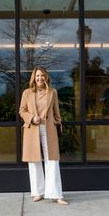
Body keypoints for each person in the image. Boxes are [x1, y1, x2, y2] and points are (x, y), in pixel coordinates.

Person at [19, 66, 68, 205]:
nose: (40, 78)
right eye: (37, 76)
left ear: (46, 77)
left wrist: (58, 125)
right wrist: (32, 118)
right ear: (34, 78)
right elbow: (22, 111)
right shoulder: (27, 93)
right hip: (32, 129)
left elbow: (57, 113)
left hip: (49, 129)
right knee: (34, 161)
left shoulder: (52, 92)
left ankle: (56, 195)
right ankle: (37, 192)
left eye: (42, 75)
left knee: (52, 160)